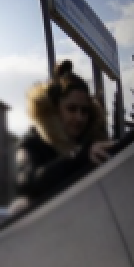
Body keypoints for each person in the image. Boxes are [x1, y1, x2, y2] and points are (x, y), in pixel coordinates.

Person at [17, 59, 113, 207]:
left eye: (84, 111)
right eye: (71, 109)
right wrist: (80, 158)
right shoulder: (32, 143)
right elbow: (29, 183)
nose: (79, 117)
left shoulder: (93, 142)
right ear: (55, 109)